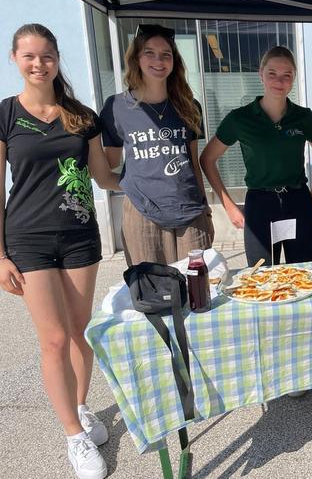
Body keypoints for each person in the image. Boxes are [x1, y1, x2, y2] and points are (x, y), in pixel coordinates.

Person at [0, 24, 120, 479]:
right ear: (14, 58)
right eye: (29, 56)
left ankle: (81, 406)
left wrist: (149, 181)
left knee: (79, 331)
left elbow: (103, 177)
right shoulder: (6, 116)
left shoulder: (81, 116)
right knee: (51, 339)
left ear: (56, 58)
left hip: (79, 237)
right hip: (27, 240)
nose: (39, 64)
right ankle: (74, 435)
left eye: (46, 56)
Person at [100, 24, 213, 266]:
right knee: (153, 293)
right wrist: (132, 187)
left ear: (174, 62)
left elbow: (192, 162)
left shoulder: (189, 105)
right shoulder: (116, 107)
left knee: (199, 290)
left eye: (166, 55)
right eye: (149, 53)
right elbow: (109, 163)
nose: (158, 61)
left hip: (190, 212)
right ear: (136, 59)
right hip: (143, 215)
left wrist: (205, 206)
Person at [201, 46, 312, 266]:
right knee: (261, 276)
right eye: (272, 74)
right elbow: (207, 159)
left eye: (287, 75)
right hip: (260, 203)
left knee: (304, 271)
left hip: (297, 201)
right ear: (261, 74)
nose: (279, 81)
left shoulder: (303, 117)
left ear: (293, 78)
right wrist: (228, 205)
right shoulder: (240, 118)